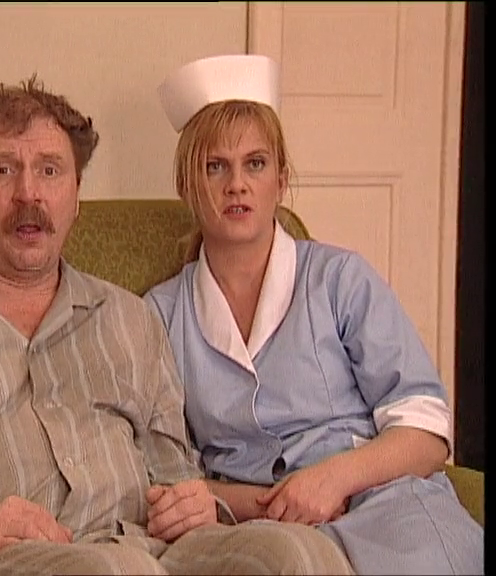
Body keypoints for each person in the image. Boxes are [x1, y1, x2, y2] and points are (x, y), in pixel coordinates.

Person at [0, 75, 356, 576]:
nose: (29, 194)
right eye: (3, 170)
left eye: (50, 170)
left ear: (75, 197)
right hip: (2, 564)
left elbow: (174, 472)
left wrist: (191, 501)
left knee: (297, 555)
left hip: (153, 552)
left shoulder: (130, 319)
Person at [145, 54, 484, 575]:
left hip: (385, 504)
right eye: (216, 166)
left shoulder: (340, 279)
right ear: (186, 185)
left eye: (255, 164)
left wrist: (334, 479)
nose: (237, 184)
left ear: (281, 179)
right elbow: (168, 473)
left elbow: (426, 431)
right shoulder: (159, 315)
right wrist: (256, 502)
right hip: (257, 529)